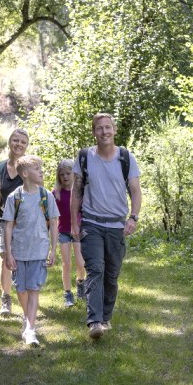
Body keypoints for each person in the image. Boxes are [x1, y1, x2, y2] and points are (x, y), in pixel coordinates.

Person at [70, 113, 142, 339]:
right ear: (93, 132)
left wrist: (133, 218)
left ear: (114, 129)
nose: (104, 132)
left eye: (107, 127)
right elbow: (76, 193)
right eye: (99, 128)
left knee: (111, 275)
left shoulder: (125, 157)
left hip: (116, 226)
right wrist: (74, 223)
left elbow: (136, 190)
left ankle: (106, 317)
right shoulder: (84, 157)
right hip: (91, 223)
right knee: (95, 270)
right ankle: (94, 322)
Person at [2, 155, 59, 346]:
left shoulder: (46, 196)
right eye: (37, 169)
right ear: (25, 174)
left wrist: (53, 249)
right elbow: (8, 226)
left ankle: (30, 329)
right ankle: (27, 317)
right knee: (21, 289)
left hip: (39, 250)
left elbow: (54, 222)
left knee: (34, 289)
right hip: (19, 251)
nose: (41, 172)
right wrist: (9, 253)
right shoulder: (14, 198)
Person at [0, 128, 29, 317]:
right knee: (5, 257)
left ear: (26, 146)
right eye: (15, 140)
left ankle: (25, 294)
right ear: (9, 143)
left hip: (23, 223)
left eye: (22, 141)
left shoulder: (30, 168)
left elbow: (39, 196)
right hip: (4, 220)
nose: (18, 144)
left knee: (20, 259)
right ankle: (6, 299)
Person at [53, 159, 86, 307]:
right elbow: (52, 216)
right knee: (66, 264)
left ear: (74, 174)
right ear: (58, 177)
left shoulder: (80, 192)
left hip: (78, 231)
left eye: (68, 173)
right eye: (62, 174)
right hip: (63, 232)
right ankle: (67, 293)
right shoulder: (56, 193)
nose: (65, 177)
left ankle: (80, 284)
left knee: (80, 263)